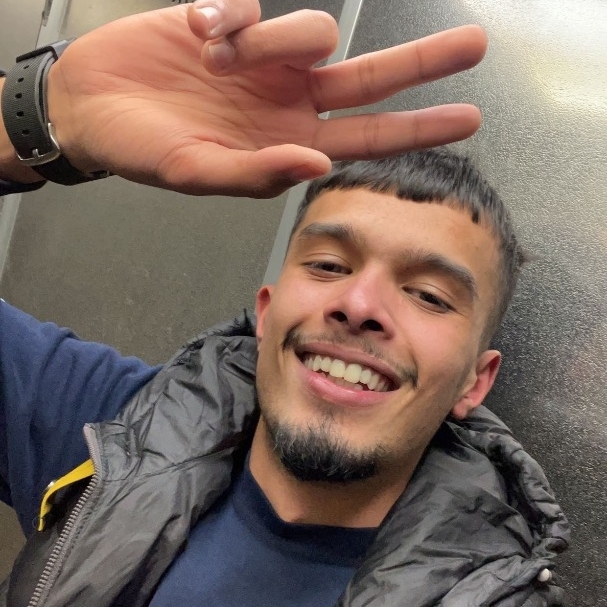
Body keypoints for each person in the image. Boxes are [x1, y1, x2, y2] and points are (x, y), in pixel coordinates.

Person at [0, 1, 569, 606]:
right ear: (267, 313)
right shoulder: (111, 434)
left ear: (475, 383)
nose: (358, 303)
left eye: (428, 295)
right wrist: (43, 112)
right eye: (329, 266)